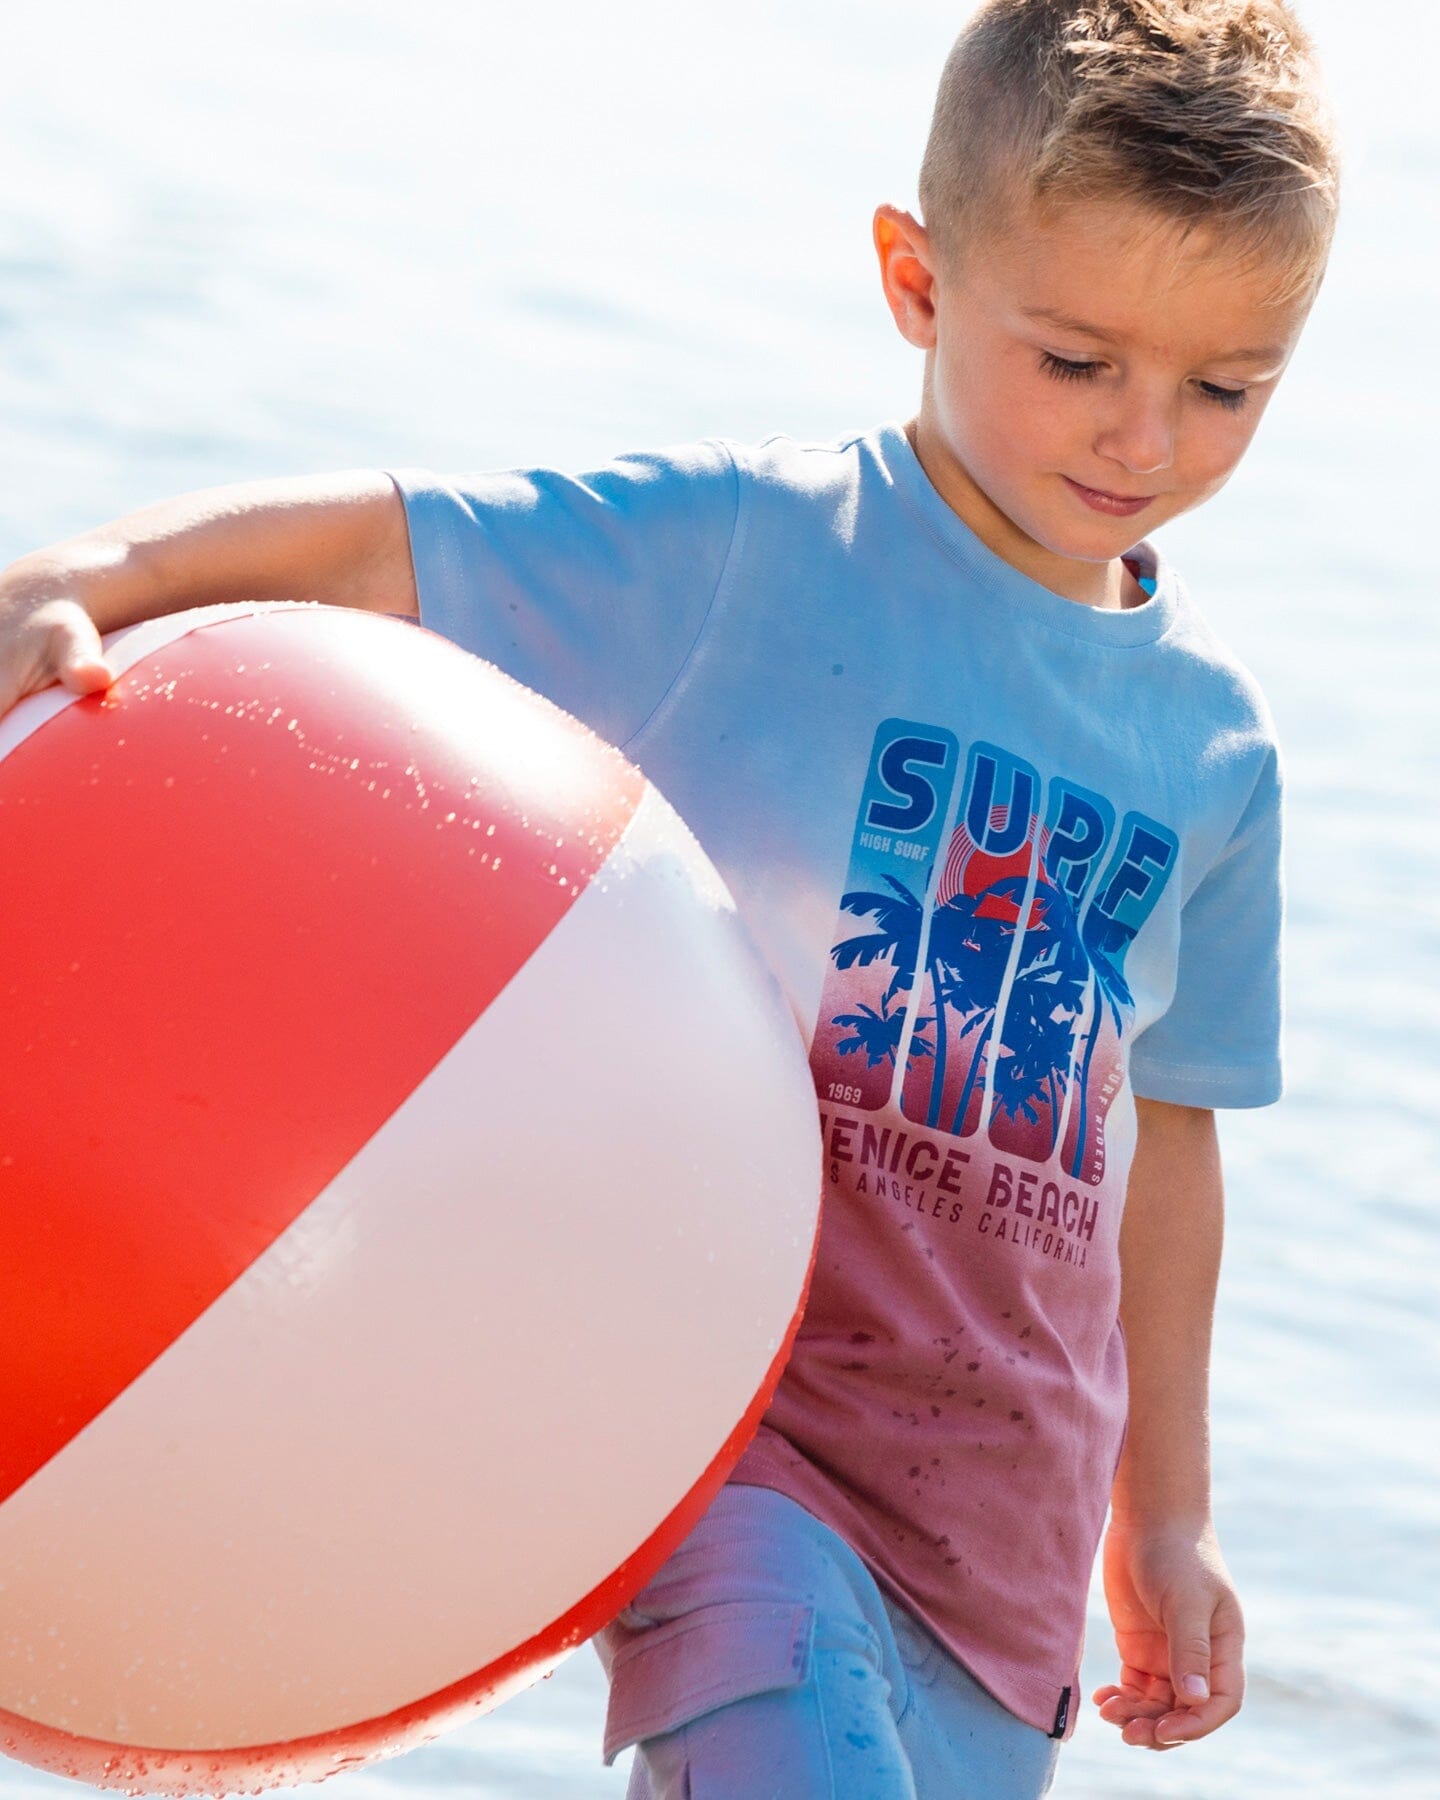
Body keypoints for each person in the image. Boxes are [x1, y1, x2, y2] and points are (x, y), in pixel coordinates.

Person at [0, 2, 1339, 1793]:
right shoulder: (750, 552)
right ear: (918, 280)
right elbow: (391, 542)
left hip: (1001, 1545)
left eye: (1226, 388)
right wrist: (90, 572)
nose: (1146, 439)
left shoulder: (1217, 750)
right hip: (730, 1462)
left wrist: (1162, 1519)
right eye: (1078, 360)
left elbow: (1163, 1147)